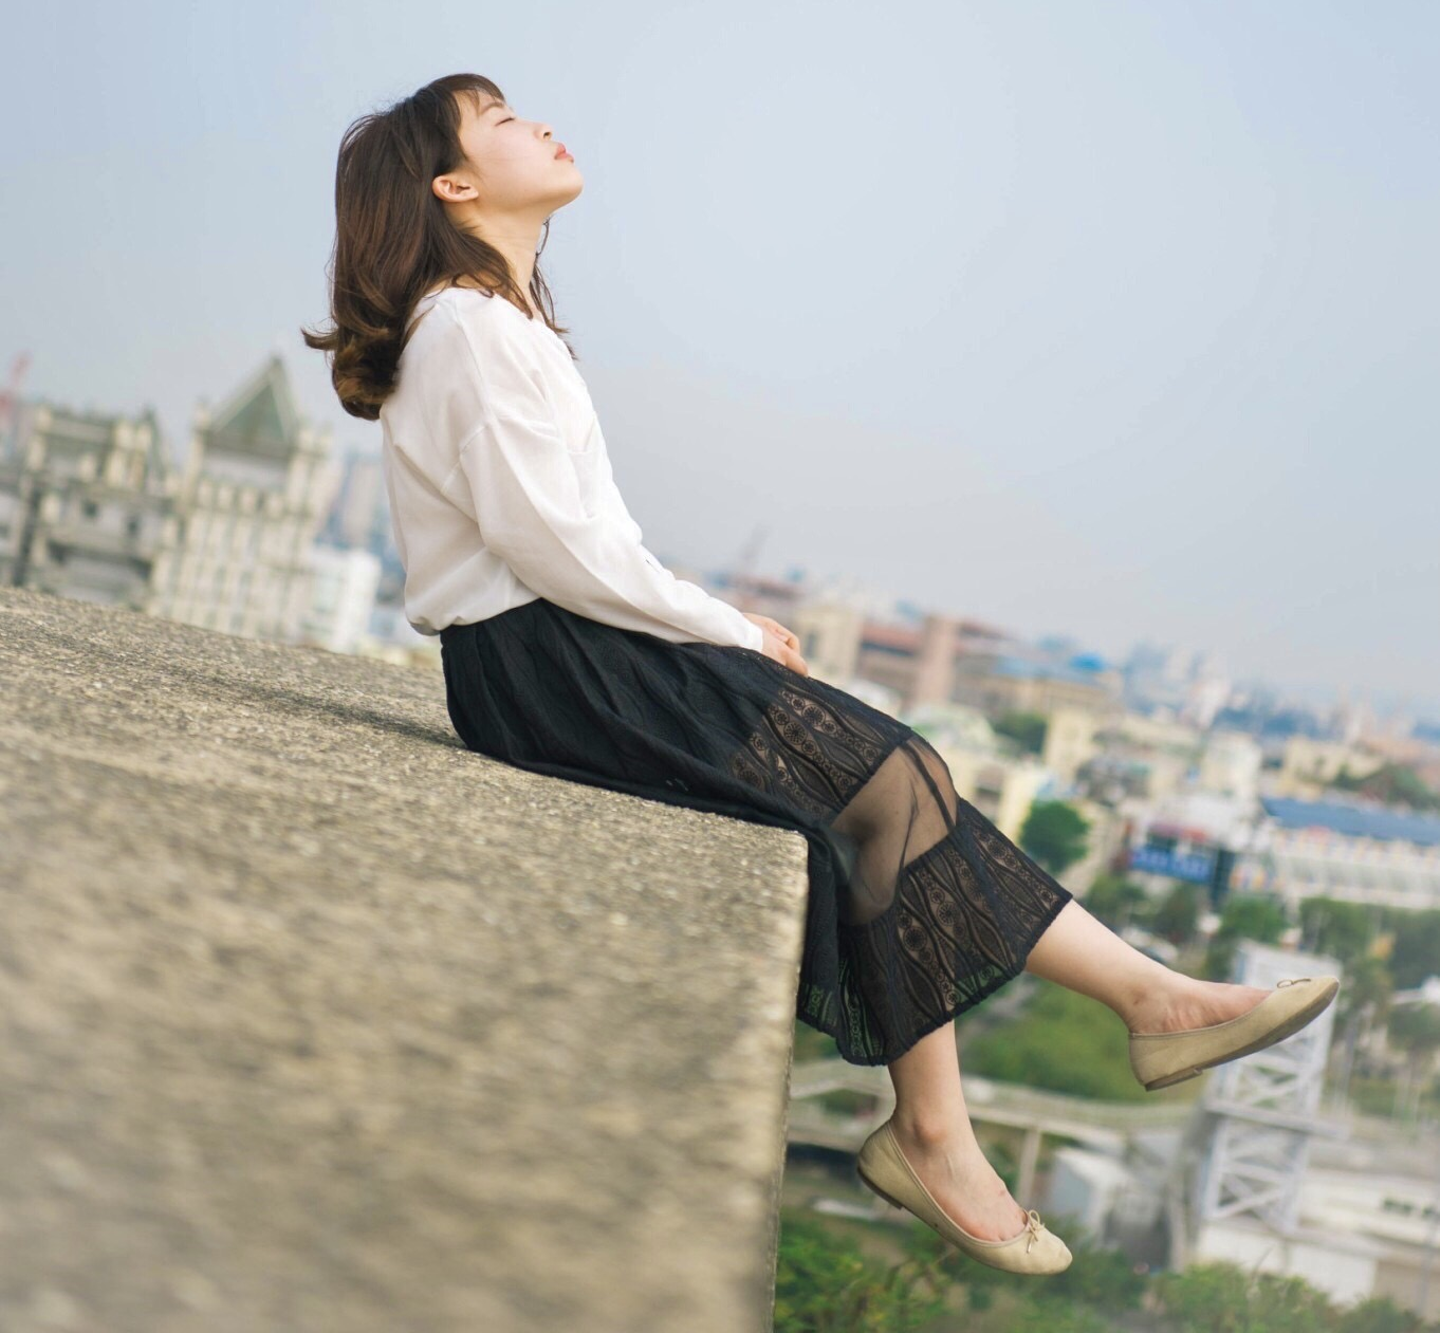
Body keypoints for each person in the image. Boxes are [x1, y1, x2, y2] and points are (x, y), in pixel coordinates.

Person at [303, 71, 1339, 1279]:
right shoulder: (471, 328)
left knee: (900, 783)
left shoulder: (497, 319)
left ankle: (1119, 1018)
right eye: (500, 120)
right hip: (552, 660)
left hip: (563, 650)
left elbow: (569, 541)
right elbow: (554, 546)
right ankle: (980, 1107)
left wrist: (711, 620)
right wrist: (722, 624)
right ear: (454, 184)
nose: (538, 122)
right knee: (890, 783)